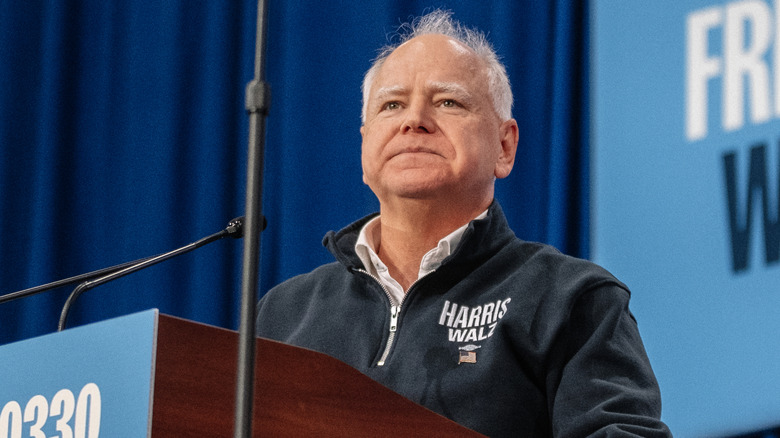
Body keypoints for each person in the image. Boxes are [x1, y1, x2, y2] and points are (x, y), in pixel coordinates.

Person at [256, 9, 671, 437]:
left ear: (504, 147)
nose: (412, 120)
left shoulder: (570, 299)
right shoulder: (285, 314)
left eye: (448, 102)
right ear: (365, 148)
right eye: (392, 104)